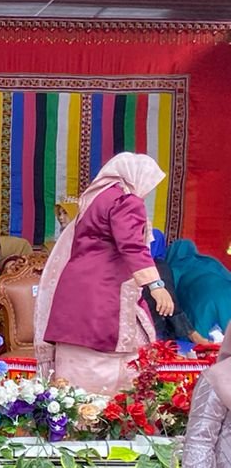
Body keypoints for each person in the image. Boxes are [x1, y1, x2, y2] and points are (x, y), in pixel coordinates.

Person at [35, 153, 170, 396]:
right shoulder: (126, 201)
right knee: (123, 366)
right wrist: (156, 285)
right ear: (136, 177)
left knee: (73, 379)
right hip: (106, 291)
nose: (147, 191)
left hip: (74, 292)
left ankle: (70, 412)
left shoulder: (96, 198)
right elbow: (132, 246)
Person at [165, 237, 231, 343]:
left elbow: (171, 291)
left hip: (202, 302)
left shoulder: (173, 266)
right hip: (226, 293)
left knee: (202, 334)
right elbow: (226, 275)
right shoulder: (209, 261)